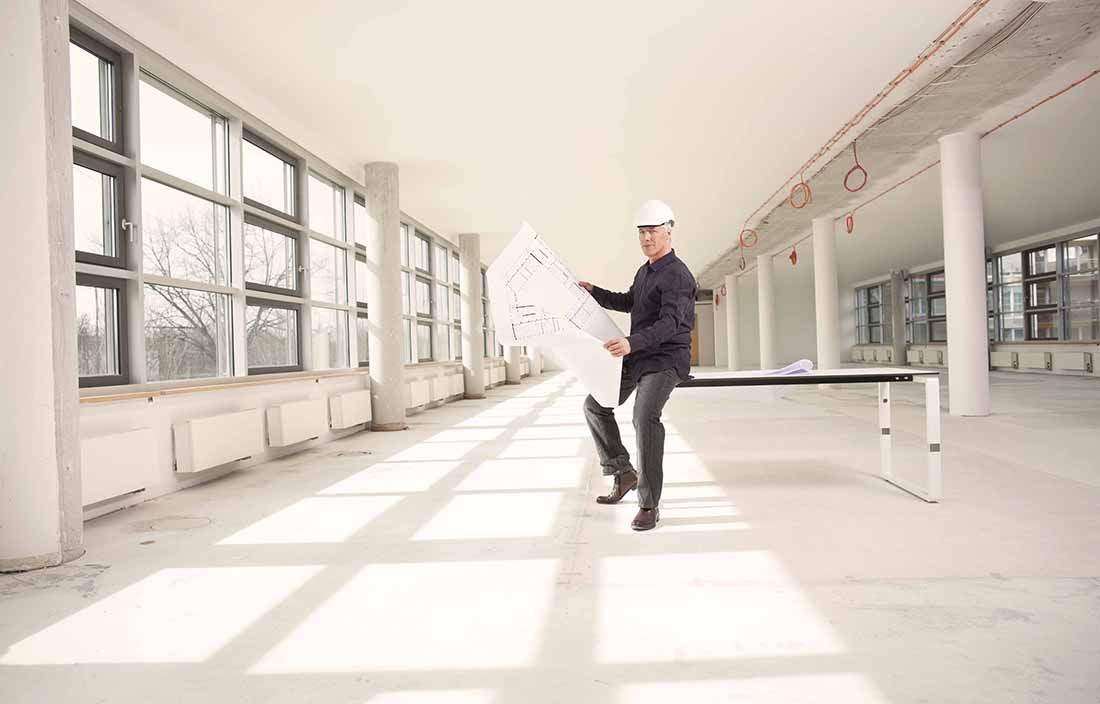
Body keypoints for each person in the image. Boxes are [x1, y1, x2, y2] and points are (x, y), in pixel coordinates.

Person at [578, 200, 697, 531]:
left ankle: (649, 503)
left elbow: (671, 323)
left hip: (667, 358)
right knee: (594, 405)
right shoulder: (645, 271)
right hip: (641, 354)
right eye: (642, 233)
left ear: (668, 232)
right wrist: (595, 292)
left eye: (653, 232)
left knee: (644, 416)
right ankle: (623, 472)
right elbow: (630, 301)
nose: (647, 239)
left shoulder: (678, 276)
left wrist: (631, 343)